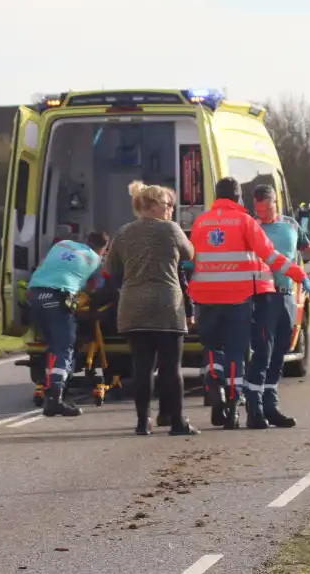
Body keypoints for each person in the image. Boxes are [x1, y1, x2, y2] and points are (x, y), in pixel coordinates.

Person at [188, 177, 307, 430]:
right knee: (235, 352)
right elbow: (270, 256)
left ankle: (213, 379)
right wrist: (298, 273)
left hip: (205, 297)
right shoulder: (245, 222)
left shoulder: (200, 222)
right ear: (239, 197)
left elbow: (190, 258)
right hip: (237, 297)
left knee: (212, 346)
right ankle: (232, 408)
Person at [104, 181, 198, 436]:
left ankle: (143, 422)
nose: (171, 211)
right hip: (167, 306)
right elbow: (190, 254)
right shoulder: (171, 229)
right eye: (168, 205)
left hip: (133, 307)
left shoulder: (123, 233)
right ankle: (177, 422)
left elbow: (112, 270)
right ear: (153, 206)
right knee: (170, 368)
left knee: (142, 367)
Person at [250, 186, 310, 428]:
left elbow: (306, 251)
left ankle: (271, 404)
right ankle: (255, 407)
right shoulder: (252, 226)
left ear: (276, 203)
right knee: (263, 352)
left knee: (281, 351)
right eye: (258, 210)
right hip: (262, 296)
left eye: (267, 209)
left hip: (286, 295)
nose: (263, 214)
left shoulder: (291, 225)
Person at [26, 231, 110, 418]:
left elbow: (41, 266)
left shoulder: (61, 244)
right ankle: (54, 400)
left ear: (85, 240)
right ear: (103, 249)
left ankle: (52, 392)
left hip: (34, 295)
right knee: (63, 347)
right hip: (58, 297)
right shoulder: (96, 259)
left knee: (53, 347)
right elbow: (93, 287)